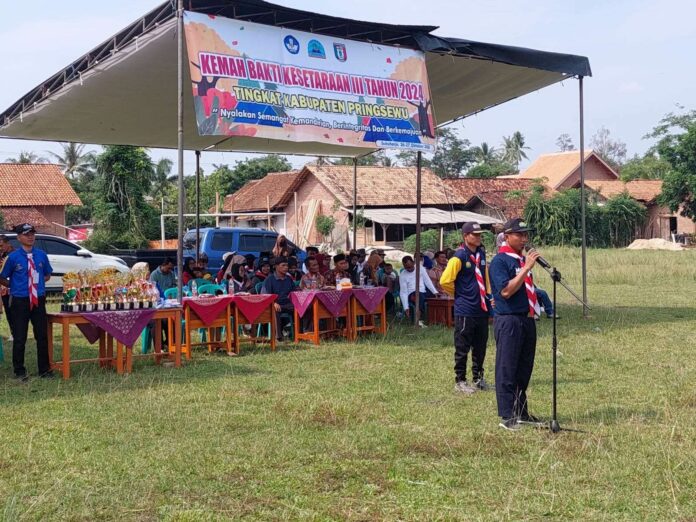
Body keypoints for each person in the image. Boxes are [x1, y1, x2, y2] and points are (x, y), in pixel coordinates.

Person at [489, 218, 543, 431]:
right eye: (519, 235)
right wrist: (526, 268)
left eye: (525, 235)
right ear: (507, 236)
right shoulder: (500, 261)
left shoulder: (520, 260)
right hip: (509, 319)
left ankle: (521, 411)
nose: (523, 239)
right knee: (507, 368)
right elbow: (506, 291)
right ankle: (507, 415)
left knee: (523, 368)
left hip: (527, 319)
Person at [440, 222, 491, 395]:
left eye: (479, 234)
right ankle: (460, 380)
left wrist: (488, 295)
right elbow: (445, 281)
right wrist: (459, 293)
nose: (478, 237)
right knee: (462, 346)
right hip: (465, 309)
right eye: (474, 234)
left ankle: (478, 378)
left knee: (480, 346)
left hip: (481, 307)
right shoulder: (459, 256)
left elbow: (485, 278)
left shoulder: (481, 254)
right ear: (465, 236)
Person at [0, 224, 53, 381]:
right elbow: (2, 277)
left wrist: (36, 285)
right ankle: (19, 370)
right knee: (20, 336)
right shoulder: (13, 257)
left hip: (38, 298)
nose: (30, 237)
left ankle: (44, 369)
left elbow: (47, 274)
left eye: (32, 234)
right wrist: (15, 285)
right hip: (20, 300)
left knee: (42, 335)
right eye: (26, 234)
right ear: (19, 237)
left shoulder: (41, 255)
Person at [261, 256, 296, 341]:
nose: (286, 267)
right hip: (275, 304)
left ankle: (300, 333)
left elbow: (294, 292)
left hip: (287, 304)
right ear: (276, 266)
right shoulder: (269, 280)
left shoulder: (289, 279)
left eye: (287, 265)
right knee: (275, 309)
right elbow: (265, 296)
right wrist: (273, 303)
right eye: (283, 265)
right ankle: (278, 337)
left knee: (301, 307)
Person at [399, 255, 437, 327]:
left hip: (423, 291)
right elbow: (403, 292)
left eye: (410, 267)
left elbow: (427, 281)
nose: (409, 269)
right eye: (406, 268)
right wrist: (406, 307)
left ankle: (434, 318)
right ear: (404, 266)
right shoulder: (403, 275)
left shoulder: (420, 268)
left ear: (413, 263)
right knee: (418, 295)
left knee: (436, 297)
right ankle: (419, 318)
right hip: (411, 293)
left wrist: (435, 292)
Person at [0, 234, 15, 341]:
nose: (0, 248)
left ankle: (16, 333)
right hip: (4, 288)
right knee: (8, 312)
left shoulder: (14, 254)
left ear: (7, 243)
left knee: (14, 311)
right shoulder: (2, 255)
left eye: (1, 245)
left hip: (13, 288)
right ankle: (13, 333)